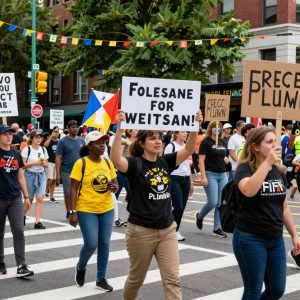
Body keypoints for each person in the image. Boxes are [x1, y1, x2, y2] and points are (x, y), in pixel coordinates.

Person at [110, 109, 203, 300]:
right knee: (136, 279)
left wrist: (195, 127)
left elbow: (188, 151)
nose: (158, 141)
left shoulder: (165, 161)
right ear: (142, 143)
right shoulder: (135, 164)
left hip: (167, 229)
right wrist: (120, 129)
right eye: (153, 138)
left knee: (172, 280)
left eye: (160, 137)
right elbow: (115, 159)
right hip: (141, 232)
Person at [233, 127, 300, 299]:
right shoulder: (244, 169)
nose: (274, 145)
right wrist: (267, 164)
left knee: (277, 289)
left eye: (275, 141)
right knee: (253, 291)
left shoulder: (278, 170)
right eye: (269, 142)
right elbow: (249, 190)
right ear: (255, 146)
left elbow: (284, 206)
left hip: (275, 238)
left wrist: (294, 234)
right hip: (250, 237)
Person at [69, 131, 118, 291]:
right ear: (90, 146)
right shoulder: (81, 163)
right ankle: (81, 267)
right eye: (98, 143)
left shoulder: (108, 163)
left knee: (104, 244)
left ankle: (101, 278)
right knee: (91, 243)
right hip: (86, 209)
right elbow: (73, 188)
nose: (102, 146)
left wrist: (114, 187)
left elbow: (115, 183)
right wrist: (73, 211)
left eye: (103, 143)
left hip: (106, 208)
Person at [0, 124, 34, 277]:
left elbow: (20, 176)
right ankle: (1, 262)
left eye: (10, 134)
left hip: (15, 198)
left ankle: (21, 264)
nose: (9, 136)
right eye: (5, 134)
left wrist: (26, 196)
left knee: (19, 231)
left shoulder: (17, 154)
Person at [195, 121, 228, 238]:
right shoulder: (206, 142)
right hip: (210, 174)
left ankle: (217, 227)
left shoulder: (223, 141)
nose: (216, 129)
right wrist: (203, 176)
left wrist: (226, 159)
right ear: (210, 128)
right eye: (214, 127)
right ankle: (200, 216)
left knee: (220, 203)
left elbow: (224, 155)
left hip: (222, 174)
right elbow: (201, 160)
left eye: (218, 127)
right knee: (213, 201)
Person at [164, 131, 193, 242]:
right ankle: (172, 230)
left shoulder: (187, 147)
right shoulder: (171, 146)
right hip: (174, 178)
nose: (185, 134)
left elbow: (188, 165)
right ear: (176, 134)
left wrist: (191, 182)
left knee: (182, 207)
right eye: (182, 132)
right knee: (178, 206)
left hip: (185, 178)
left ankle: (174, 229)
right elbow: (165, 163)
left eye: (186, 132)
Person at [55, 120, 85, 219]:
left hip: (80, 171)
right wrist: (58, 174)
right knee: (68, 193)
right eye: (73, 127)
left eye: (77, 127)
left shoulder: (81, 140)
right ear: (68, 129)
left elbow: (85, 156)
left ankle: (77, 211)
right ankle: (69, 211)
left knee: (79, 193)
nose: (75, 129)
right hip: (66, 171)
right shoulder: (62, 141)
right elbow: (58, 157)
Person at [21, 130, 49, 229]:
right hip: (29, 175)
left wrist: (43, 164)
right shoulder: (26, 149)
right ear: (32, 138)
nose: (39, 139)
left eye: (40, 137)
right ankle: (23, 215)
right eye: (36, 137)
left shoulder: (43, 150)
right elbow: (23, 165)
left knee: (40, 198)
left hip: (41, 175)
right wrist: (34, 164)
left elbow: (47, 164)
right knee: (29, 199)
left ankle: (37, 222)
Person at [44, 126, 60, 203]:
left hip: (57, 163)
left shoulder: (59, 141)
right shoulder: (49, 140)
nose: (56, 133)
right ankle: (46, 190)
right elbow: (45, 145)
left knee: (54, 180)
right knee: (50, 179)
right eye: (55, 131)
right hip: (49, 161)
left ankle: (52, 197)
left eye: (57, 132)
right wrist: (51, 136)